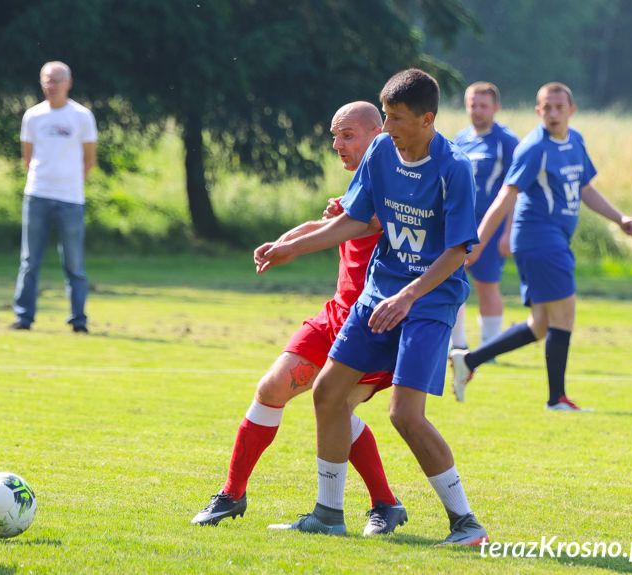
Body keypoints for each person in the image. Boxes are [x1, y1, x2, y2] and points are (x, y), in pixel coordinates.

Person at [258, 69, 487, 545]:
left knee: (405, 415)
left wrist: (408, 297)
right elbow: (356, 221)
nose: (387, 127)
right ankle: (328, 513)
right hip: (379, 294)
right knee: (327, 393)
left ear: (427, 120)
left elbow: (457, 251)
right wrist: (291, 248)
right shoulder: (383, 150)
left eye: (397, 118)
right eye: (384, 116)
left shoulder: (454, 168)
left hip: (428, 301)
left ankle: (466, 524)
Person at [192, 102, 407, 536]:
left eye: (347, 135)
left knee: (337, 408)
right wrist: (282, 240)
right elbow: (331, 221)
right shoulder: (361, 183)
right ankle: (232, 494)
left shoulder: (400, 184)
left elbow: (356, 225)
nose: (338, 145)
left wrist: (296, 245)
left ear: (377, 133)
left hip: (373, 328)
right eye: (335, 136)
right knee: (271, 388)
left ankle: (382, 503)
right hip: (335, 317)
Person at [450, 83, 632, 410]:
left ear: (571, 110)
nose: (553, 113)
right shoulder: (533, 147)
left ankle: (469, 360)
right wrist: (480, 242)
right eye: (546, 108)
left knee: (540, 325)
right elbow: (505, 197)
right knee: (564, 314)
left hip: (553, 240)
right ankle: (557, 399)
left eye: (558, 107)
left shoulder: (575, 141)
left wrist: (619, 218)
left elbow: (585, 189)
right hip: (539, 239)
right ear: (538, 112)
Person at [12, 61, 97, 333]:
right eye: (47, 80)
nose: (51, 86)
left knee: (74, 263)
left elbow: (89, 160)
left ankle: (78, 320)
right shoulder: (33, 116)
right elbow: (27, 157)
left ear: (68, 83)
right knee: (29, 261)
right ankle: (24, 317)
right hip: (37, 195)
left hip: (71, 200)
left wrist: (69, 185)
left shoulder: (82, 117)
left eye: (57, 80)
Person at [449, 82, 519, 387]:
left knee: (487, 285)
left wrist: (509, 232)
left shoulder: (506, 142)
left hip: (492, 230)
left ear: (496, 107)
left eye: (483, 105)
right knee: (453, 282)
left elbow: (516, 190)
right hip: (460, 227)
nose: (477, 110)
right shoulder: (460, 139)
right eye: (472, 104)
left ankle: (489, 347)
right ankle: (458, 344)